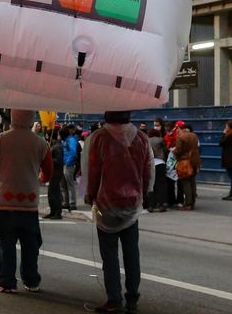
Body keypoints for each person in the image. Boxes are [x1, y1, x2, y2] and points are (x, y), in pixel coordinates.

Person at [84, 111, 152, 313]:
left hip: (107, 201)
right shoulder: (140, 138)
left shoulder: (99, 138)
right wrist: (144, 192)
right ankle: (132, 299)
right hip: (131, 203)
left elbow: (93, 169)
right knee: (132, 253)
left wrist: (90, 194)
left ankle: (114, 299)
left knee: (109, 254)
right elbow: (147, 169)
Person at [0, 110, 53, 294]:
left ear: (13, 118)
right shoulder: (41, 143)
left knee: (6, 244)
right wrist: (38, 176)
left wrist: (4, 168)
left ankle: (6, 283)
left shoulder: (0, 139)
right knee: (31, 245)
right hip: (29, 202)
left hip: (4, 200)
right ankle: (31, 281)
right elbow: (48, 173)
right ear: (31, 119)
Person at [173, 124, 200, 211]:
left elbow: (178, 150)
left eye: (177, 129)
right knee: (192, 181)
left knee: (186, 182)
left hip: (184, 161)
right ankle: (192, 202)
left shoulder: (180, 137)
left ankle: (188, 203)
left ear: (181, 129)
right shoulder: (194, 135)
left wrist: (174, 152)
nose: (177, 131)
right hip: (194, 160)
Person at [44, 129, 65, 220]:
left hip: (56, 173)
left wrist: (48, 159)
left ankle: (57, 212)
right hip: (52, 172)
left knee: (55, 192)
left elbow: (59, 160)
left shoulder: (57, 147)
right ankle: (52, 211)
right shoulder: (52, 146)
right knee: (51, 193)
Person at [147, 129, 169, 213]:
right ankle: (162, 203)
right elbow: (166, 151)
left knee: (151, 185)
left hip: (151, 164)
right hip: (160, 163)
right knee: (161, 184)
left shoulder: (147, 140)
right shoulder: (161, 140)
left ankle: (151, 205)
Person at [62, 124, 82, 211]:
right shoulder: (67, 140)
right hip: (65, 164)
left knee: (70, 185)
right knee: (64, 185)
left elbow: (73, 153)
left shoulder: (71, 140)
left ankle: (72, 203)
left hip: (68, 165)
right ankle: (66, 202)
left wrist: (67, 163)